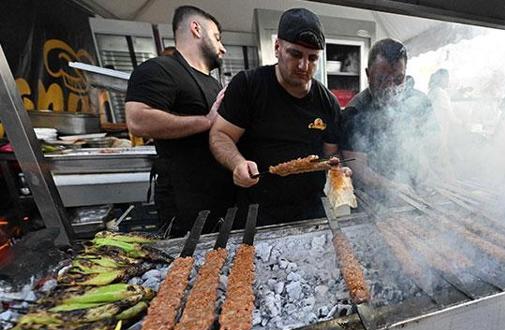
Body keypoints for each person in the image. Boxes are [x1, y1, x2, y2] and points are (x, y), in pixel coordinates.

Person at [209, 8, 348, 226]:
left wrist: (336, 170)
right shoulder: (248, 85)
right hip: (258, 212)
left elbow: (328, 158)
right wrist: (237, 163)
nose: (304, 66)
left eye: (312, 58)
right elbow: (220, 134)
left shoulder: (328, 102)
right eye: (295, 54)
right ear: (277, 48)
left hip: (312, 212)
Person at [126, 5, 232, 236]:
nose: (222, 48)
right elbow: (138, 120)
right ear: (196, 29)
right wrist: (206, 121)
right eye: (217, 38)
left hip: (218, 196)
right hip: (185, 203)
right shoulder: (159, 69)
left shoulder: (213, 83)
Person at [341, 38, 438, 190]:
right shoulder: (354, 112)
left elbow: (432, 146)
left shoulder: (420, 102)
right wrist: (392, 187)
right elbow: (357, 167)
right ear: (368, 74)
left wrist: (428, 171)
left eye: (398, 79)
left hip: (417, 191)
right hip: (374, 199)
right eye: (382, 79)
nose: (390, 87)